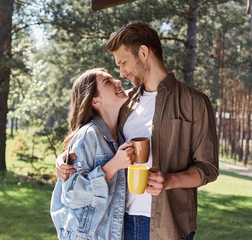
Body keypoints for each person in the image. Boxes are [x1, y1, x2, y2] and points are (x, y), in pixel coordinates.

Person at [56, 21, 219, 240]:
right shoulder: (124, 103)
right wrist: (65, 160)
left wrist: (170, 180)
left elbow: (208, 168)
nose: (121, 73)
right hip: (120, 223)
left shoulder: (195, 102)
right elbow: (93, 134)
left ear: (143, 52)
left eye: (123, 63)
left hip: (169, 227)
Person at [50, 68, 135, 240]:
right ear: (95, 100)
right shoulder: (88, 135)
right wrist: (113, 166)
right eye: (108, 82)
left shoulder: (120, 134)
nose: (118, 81)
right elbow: (73, 195)